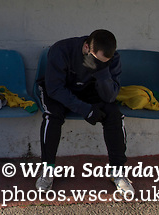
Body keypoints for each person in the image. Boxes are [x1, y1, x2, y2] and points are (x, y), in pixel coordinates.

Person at [35, 30, 133, 196]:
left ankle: (118, 172)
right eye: (97, 60)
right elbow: (55, 89)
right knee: (52, 115)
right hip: (59, 89)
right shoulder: (62, 50)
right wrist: (85, 110)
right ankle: (47, 170)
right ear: (87, 47)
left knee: (113, 114)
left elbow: (109, 96)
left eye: (104, 62)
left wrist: (101, 72)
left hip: (88, 90)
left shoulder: (113, 58)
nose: (100, 63)